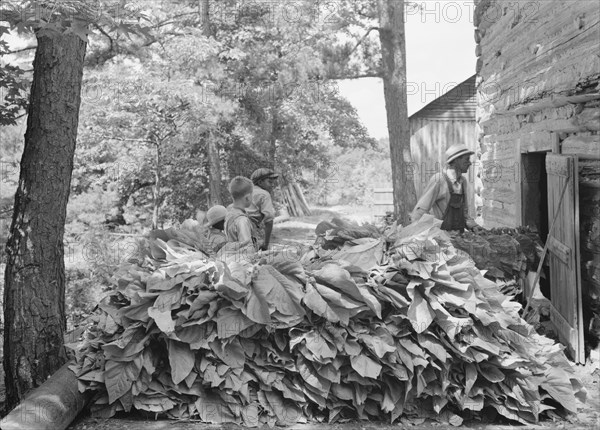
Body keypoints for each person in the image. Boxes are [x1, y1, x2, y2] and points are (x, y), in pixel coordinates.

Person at [410, 143, 481, 232]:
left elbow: (465, 214)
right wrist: (419, 235)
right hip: (443, 237)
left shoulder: (463, 181)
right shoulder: (439, 180)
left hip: (459, 236)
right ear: (456, 161)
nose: (470, 163)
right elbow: (419, 212)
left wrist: (474, 226)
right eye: (466, 159)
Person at [248, 168, 278, 251]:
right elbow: (269, 220)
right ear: (260, 182)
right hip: (250, 230)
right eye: (270, 182)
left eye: (273, 183)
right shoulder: (264, 194)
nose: (272, 185)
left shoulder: (246, 191)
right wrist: (266, 244)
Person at [224, 176, 256, 249]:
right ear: (247, 197)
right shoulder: (242, 220)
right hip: (242, 258)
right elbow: (247, 248)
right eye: (252, 194)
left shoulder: (229, 213)